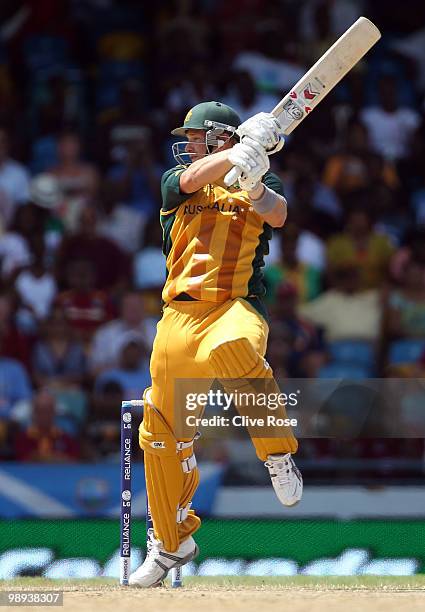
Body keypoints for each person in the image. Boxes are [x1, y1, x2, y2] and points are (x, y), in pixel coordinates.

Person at [129, 101, 302, 588]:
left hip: (234, 307)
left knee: (234, 351)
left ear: (218, 136)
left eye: (194, 136)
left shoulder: (260, 177)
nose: (185, 146)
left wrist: (253, 184)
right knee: (161, 432)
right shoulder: (178, 179)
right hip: (178, 314)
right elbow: (189, 180)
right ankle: (170, 544)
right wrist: (242, 151)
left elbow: (280, 214)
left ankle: (277, 455)